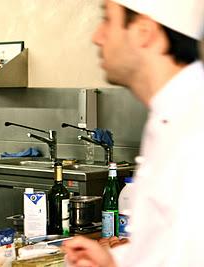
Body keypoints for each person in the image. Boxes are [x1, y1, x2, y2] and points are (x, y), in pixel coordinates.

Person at [62, 0, 204, 266]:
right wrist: (114, 260)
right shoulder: (168, 115)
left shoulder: (195, 127)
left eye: (107, 19)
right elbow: (167, 245)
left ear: (144, 32)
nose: (97, 37)